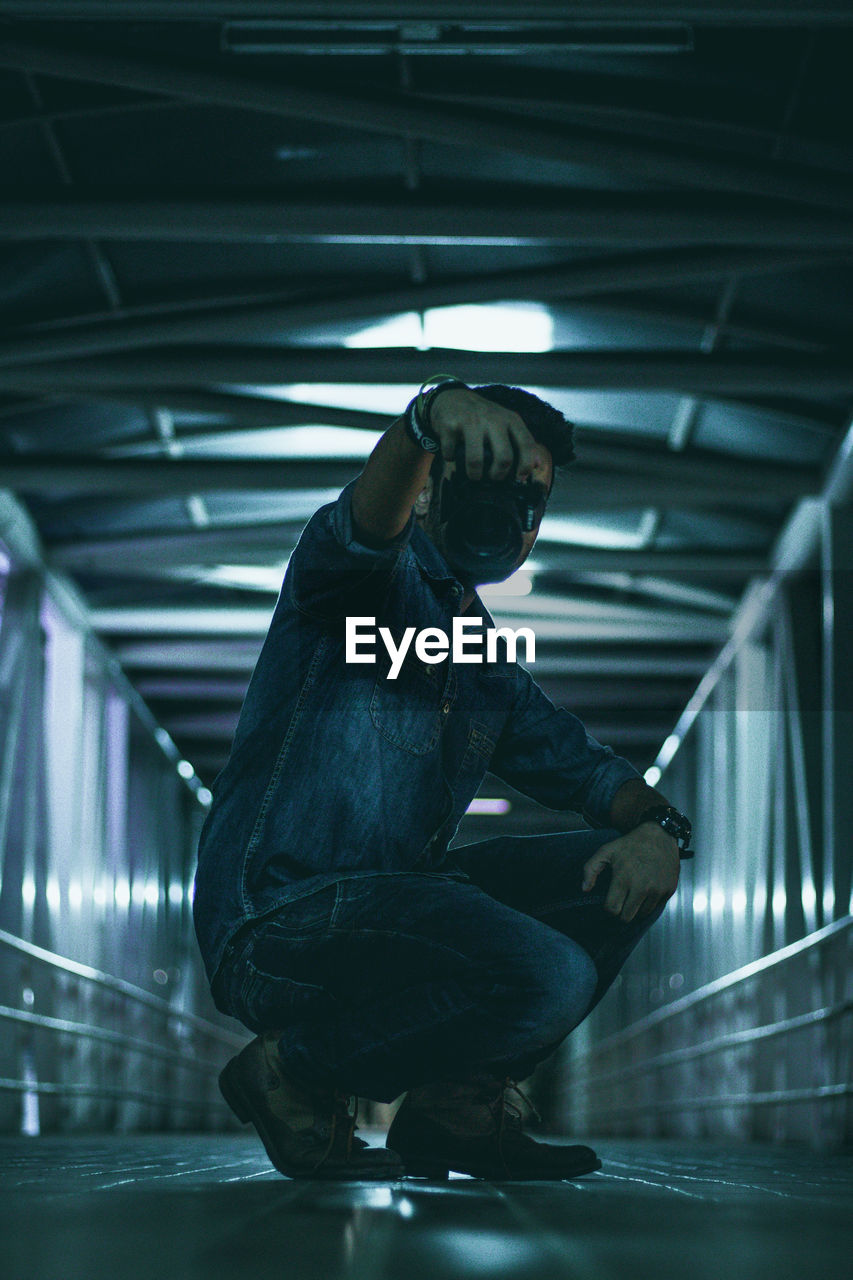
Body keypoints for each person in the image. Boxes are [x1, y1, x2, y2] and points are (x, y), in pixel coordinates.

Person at [192, 378, 690, 1182]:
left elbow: (588, 769)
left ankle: (451, 1107)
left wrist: (661, 834)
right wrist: (425, 420)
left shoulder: (480, 657)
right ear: (428, 491)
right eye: (494, 480)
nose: (512, 514)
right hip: (280, 919)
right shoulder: (360, 586)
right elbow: (362, 529)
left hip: (388, 914)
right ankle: (295, 1067)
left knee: (613, 874)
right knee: (548, 973)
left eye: (533, 496)